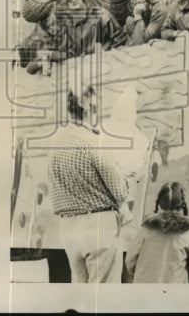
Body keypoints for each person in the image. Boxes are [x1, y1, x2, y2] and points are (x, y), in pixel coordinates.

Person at [48, 84, 130, 283]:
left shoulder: (55, 141)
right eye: (96, 106)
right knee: (104, 296)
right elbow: (119, 190)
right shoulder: (92, 140)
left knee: (80, 293)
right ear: (87, 107)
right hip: (98, 225)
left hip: (68, 228)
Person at [125, 182, 189, 284]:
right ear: (182, 206)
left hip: (145, 291)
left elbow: (130, 261)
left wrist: (135, 279)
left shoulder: (145, 230)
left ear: (159, 205)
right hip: (175, 294)